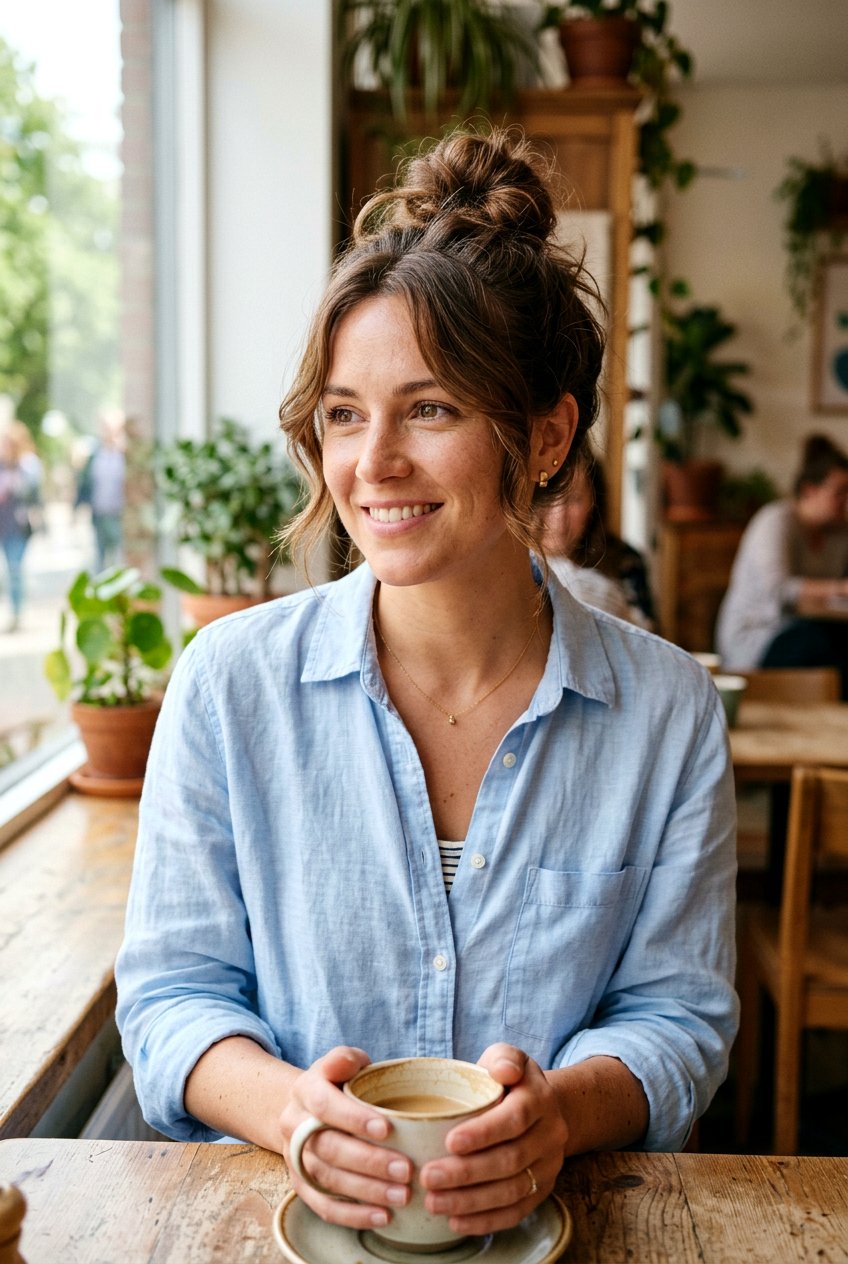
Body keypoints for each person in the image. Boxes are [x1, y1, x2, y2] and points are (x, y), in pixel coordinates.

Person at [116, 128, 737, 1241]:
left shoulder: (665, 713)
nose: (372, 462)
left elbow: (677, 1013)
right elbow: (170, 997)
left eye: (431, 408)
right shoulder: (226, 685)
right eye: (344, 412)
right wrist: (289, 1112)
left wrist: (559, 1115)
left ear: (544, 437)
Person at [716, 434, 848, 694]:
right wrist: (841, 588)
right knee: (818, 643)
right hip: (758, 638)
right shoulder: (776, 520)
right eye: (840, 493)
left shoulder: (839, 534)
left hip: (809, 628)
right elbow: (778, 589)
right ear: (810, 490)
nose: (846, 502)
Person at [540, 456, 656, 628]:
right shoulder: (515, 563)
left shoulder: (624, 561)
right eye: (550, 498)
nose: (559, 515)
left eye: (575, 499)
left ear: (594, 505)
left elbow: (647, 633)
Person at [0, 423, 43, 632]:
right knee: (8, 570)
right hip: (2, 524)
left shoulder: (28, 465)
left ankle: (17, 612)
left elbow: (32, 492)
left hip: (18, 526)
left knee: (15, 569)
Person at [75, 409, 126, 571]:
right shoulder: (95, 454)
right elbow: (85, 482)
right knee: (100, 559)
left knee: (119, 558)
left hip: (119, 515)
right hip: (99, 514)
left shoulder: (124, 454)